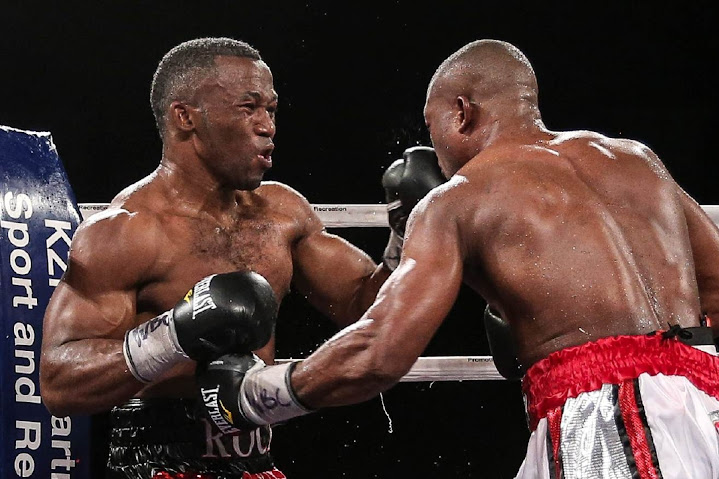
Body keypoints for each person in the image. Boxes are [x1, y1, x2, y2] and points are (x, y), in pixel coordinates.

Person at [201, 39, 719, 478]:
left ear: (461, 113)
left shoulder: (461, 196)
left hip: (608, 417)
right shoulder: (638, 159)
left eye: (432, 125)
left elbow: (379, 352)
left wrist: (255, 396)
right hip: (710, 406)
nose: (433, 146)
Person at [39, 37, 443, 479]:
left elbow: (367, 304)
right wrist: (172, 335)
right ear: (185, 117)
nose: (267, 126)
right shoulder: (125, 231)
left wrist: (408, 230)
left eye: (270, 109)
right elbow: (59, 382)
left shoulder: (283, 214)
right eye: (249, 107)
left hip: (258, 457)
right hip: (156, 460)